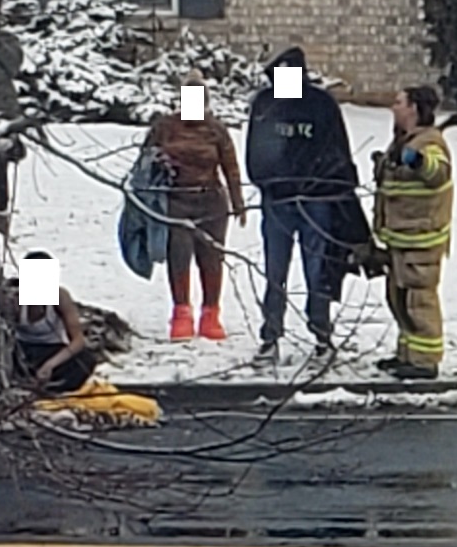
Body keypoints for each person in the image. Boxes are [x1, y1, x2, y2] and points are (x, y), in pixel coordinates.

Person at [244, 46, 360, 367]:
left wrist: (328, 187)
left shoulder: (321, 105)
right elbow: (255, 151)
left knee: (317, 270)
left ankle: (322, 336)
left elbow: (337, 150)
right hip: (278, 201)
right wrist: (267, 184)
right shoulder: (266, 104)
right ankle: (270, 336)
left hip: (316, 200)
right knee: (274, 271)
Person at [141, 70, 246, 342]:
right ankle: (181, 314)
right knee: (179, 256)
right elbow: (144, 162)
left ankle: (211, 314)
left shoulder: (216, 129)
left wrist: (238, 201)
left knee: (211, 259)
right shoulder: (165, 127)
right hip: (176, 202)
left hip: (211, 202)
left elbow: (230, 167)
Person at [372, 85, 454, 381]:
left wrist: (417, 162)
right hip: (400, 238)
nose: (393, 108)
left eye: (399, 103)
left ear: (415, 108)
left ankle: (425, 360)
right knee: (400, 299)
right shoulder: (405, 141)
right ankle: (408, 354)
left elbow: (438, 172)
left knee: (419, 300)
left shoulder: (429, 144)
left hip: (421, 240)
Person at [6, 252, 96, 395]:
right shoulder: (13, 300)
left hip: (51, 350)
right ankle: (18, 383)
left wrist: (50, 365)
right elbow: (4, 336)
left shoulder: (60, 297)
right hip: (23, 350)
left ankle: (53, 388)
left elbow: (78, 341)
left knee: (85, 360)